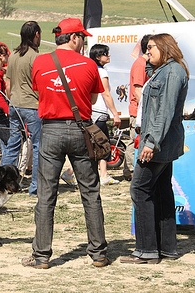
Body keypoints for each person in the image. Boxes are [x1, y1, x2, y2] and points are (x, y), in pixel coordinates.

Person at [23, 18, 109, 269]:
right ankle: (98, 253)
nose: (83, 42)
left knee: (46, 194)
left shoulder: (40, 62)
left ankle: (41, 256)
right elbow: (93, 100)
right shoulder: (88, 65)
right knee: (90, 193)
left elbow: (39, 91)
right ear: (73, 38)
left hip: (51, 130)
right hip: (82, 130)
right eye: (81, 37)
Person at [120, 33, 188, 264]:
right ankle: (166, 248)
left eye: (150, 48)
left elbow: (165, 111)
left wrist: (151, 142)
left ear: (164, 47)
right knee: (160, 191)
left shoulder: (171, 73)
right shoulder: (165, 70)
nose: (146, 52)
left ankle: (146, 250)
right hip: (162, 141)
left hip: (158, 143)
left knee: (139, 190)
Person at [0, 21, 42, 196]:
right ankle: (36, 187)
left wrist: (11, 100)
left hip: (14, 105)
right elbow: (39, 85)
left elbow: (7, 83)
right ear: (36, 35)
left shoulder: (14, 55)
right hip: (32, 106)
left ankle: (2, 185)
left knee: (12, 146)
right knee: (39, 146)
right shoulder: (35, 57)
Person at [89, 44, 122, 186]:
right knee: (103, 144)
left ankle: (103, 174)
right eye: (105, 54)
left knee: (94, 144)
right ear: (98, 57)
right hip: (99, 111)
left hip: (91, 111)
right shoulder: (101, 72)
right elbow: (106, 93)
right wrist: (115, 113)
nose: (108, 56)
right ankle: (102, 175)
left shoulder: (90, 70)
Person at [123, 34, 152, 181]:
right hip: (138, 110)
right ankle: (131, 170)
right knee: (134, 140)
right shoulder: (141, 64)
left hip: (140, 109)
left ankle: (129, 170)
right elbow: (138, 90)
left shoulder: (146, 64)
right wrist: (147, 108)